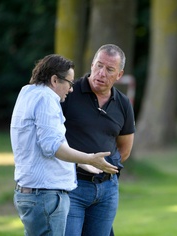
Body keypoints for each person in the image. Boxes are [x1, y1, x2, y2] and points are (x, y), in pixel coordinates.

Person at [11, 54, 119, 236]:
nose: (70, 90)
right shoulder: (47, 99)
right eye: (69, 83)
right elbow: (52, 147)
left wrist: (78, 162)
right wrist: (91, 159)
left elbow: (45, 143)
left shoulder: (27, 92)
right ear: (54, 80)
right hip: (46, 196)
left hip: (31, 194)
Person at [62, 44, 135, 236]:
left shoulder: (123, 103)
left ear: (119, 75)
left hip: (107, 190)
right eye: (99, 66)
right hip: (72, 185)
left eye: (109, 69)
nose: (101, 73)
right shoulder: (69, 93)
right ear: (92, 64)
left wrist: (105, 168)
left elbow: (125, 149)